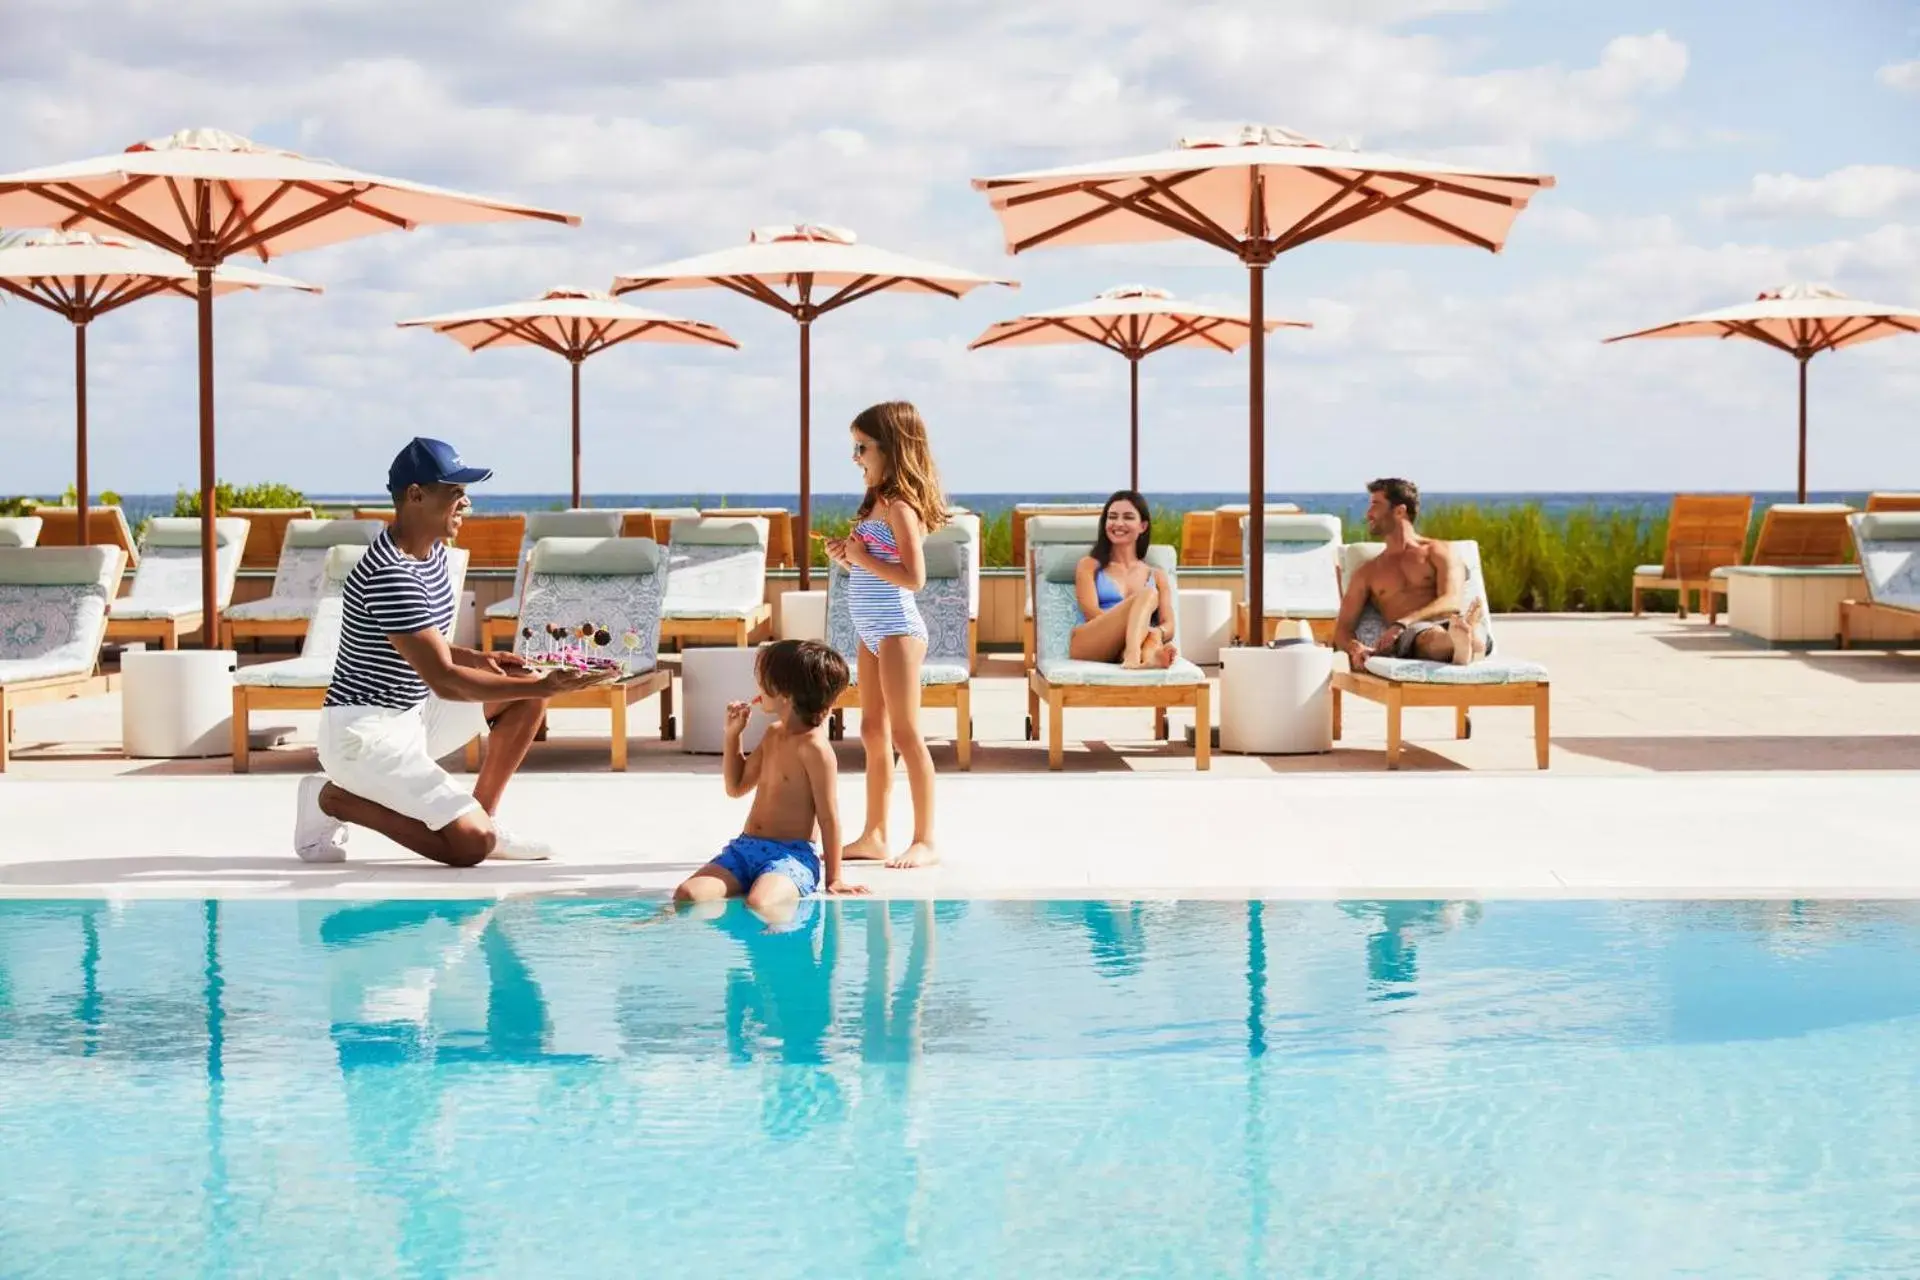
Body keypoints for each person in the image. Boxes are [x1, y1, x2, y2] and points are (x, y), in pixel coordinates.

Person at [294, 437, 612, 867]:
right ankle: (330, 798)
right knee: (468, 847)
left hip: (414, 716)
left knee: (520, 689)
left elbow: (423, 643)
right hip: (363, 735)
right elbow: (443, 679)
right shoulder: (390, 574)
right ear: (415, 495)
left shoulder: (435, 556)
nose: (466, 503)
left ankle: (486, 817)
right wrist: (547, 684)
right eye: (455, 492)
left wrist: (484, 661)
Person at [823, 401, 947, 870]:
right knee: (872, 729)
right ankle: (874, 834)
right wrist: (848, 557)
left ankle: (925, 839)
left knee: (907, 733)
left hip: (897, 628)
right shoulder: (874, 503)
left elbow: (913, 578)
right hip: (870, 629)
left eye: (862, 447)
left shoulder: (901, 507)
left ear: (890, 448)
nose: (856, 456)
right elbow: (873, 567)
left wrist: (864, 557)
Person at [674, 639, 868, 916]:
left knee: (760, 903)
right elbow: (736, 787)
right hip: (745, 849)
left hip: (791, 857)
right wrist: (733, 736)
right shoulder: (774, 735)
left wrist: (834, 878)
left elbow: (829, 817)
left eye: (763, 681)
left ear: (786, 693)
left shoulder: (815, 749)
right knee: (687, 894)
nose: (758, 687)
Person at [1332, 477, 1489, 669]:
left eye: (1375, 505)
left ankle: (1464, 642)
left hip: (1450, 621)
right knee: (1429, 637)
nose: (1368, 513)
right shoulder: (1368, 572)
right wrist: (1355, 647)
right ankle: (1463, 644)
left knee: (1464, 630)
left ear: (1399, 511)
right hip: (1416, 635)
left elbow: (1451, 600)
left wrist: (1402, 623)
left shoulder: (1439, 551)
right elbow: (1342, 629)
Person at [1069, 489, 1179, 668]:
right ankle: (1135, 654)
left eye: (1128, 517)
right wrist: (1138, 630)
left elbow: (1169, 625)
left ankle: (1146, 659)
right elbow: (1091, 613)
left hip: (1132, 642)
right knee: (1149, 594)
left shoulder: (1157, 575)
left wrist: (1157, 632)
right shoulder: (1089, 565)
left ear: (1143, 526)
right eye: (1112, 517)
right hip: (1090, 642)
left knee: (1153, 634)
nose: (1118, 523)